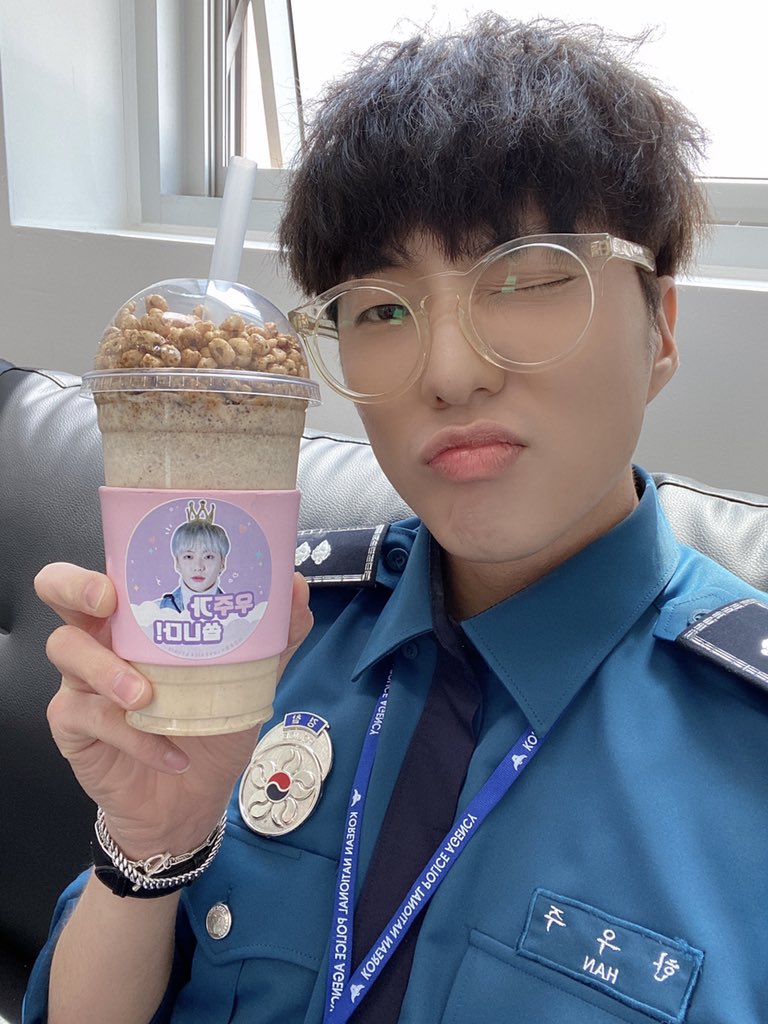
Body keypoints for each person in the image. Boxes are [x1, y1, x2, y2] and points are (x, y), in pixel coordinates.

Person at [25, 15, 768, 1024]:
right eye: (380, 308)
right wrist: (152, 846)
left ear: (661, 330)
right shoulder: (267, 638)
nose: (450, 372)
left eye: (528, 276)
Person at [158, 508, 230, 613]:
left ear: (222, 563)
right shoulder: (158, 608)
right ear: (177, 562)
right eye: (188, 557)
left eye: (208, 557)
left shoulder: (235, 612)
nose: (198, 567)